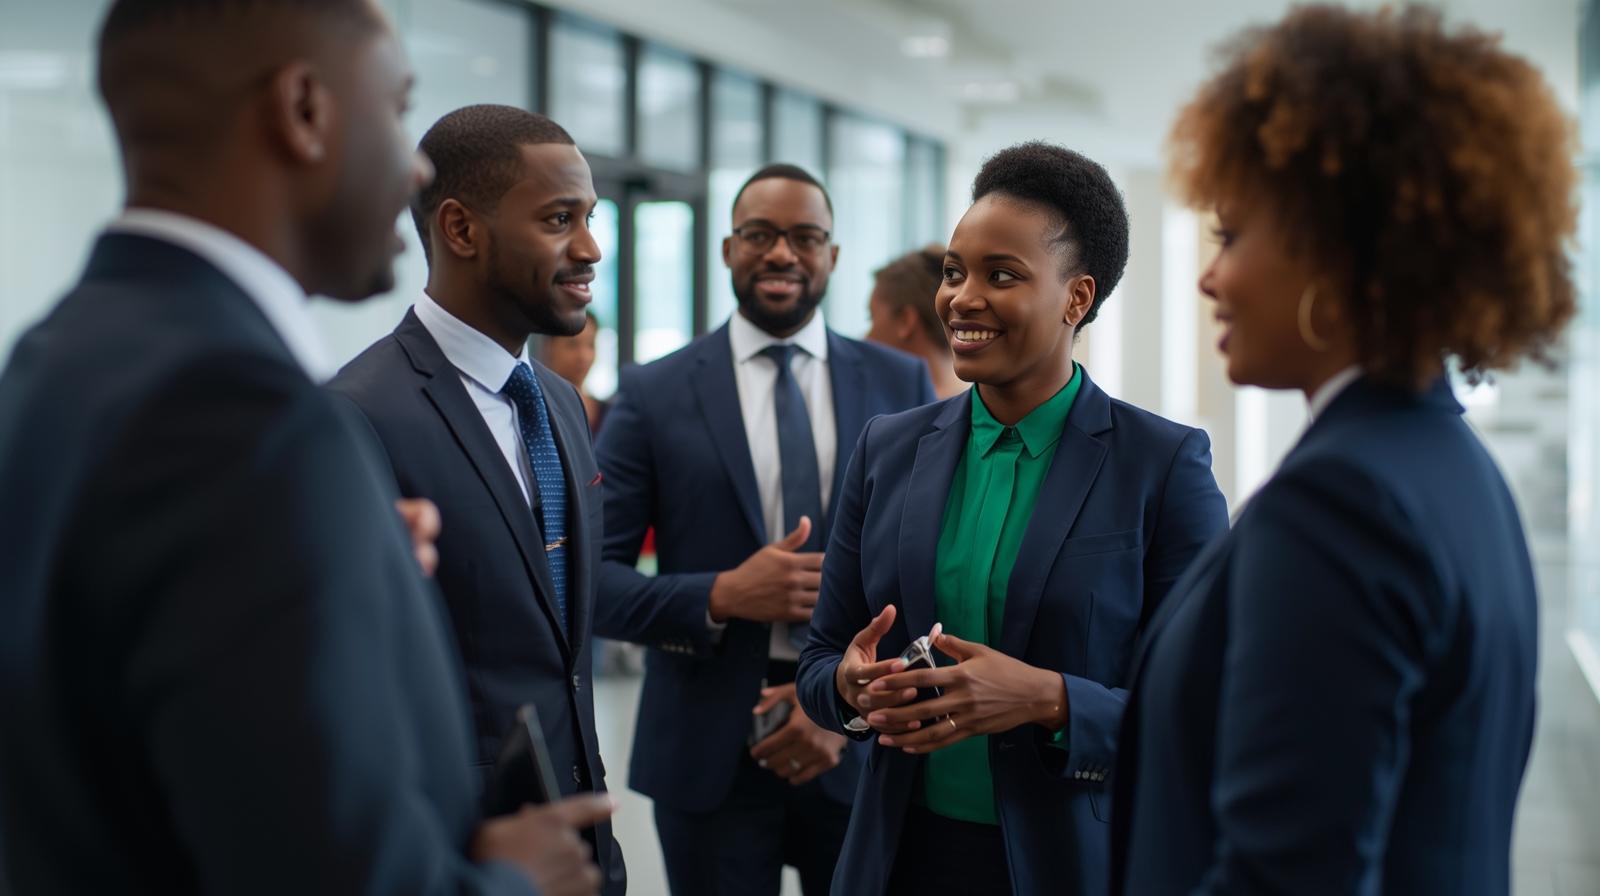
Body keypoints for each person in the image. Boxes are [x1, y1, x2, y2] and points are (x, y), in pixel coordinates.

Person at [0, 4, 611, 894]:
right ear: (304, 110)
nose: (410, 164)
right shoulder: (252, 418)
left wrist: (339, 573)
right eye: (398, 111)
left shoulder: (55, 357)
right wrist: (516, 884)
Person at [1111, 7, 1576, 895]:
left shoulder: (1339, 503)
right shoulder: (1455, 469)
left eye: (1234, 235)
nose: (1211, 276)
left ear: (1340, 252)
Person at [795, 142, 1229, 896]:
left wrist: (1047, 699)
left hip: (1074, 861)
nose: (962, 297)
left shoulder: (1162, 466)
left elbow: (1210, 711)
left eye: (1003, 276)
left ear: (1076, 298)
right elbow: (822, 657)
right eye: (955, 271)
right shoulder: (888, 449)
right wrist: (852, 691)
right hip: (900, 858)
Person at [593, 164, 936, 895]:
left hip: (860, 741)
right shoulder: (652, 392)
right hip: (707, 752)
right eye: (760, 234)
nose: (782, 253)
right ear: (727, 249)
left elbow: (929, 568)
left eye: (805, 236)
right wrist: (719, 593)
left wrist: (838, 709)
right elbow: (591, 581)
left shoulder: (899, 383)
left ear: (832, 256)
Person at [327, 105, 625, 893]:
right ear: (459, 229)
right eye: (560, 220)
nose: (591, 248)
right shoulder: (355, 416)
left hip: (580, 844)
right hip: (454, 857)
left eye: (590, 219)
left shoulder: (560, 403)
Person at [865, 245, 965, 399]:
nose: (866, 337)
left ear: (906, 320)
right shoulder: (984, 406)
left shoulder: (895, 411)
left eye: (872, 318)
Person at [542, 310, 611, 436]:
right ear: (550, 347)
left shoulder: (608, 412)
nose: (583, 356)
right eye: (572, 345)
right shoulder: (538, 409)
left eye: (591, 345)